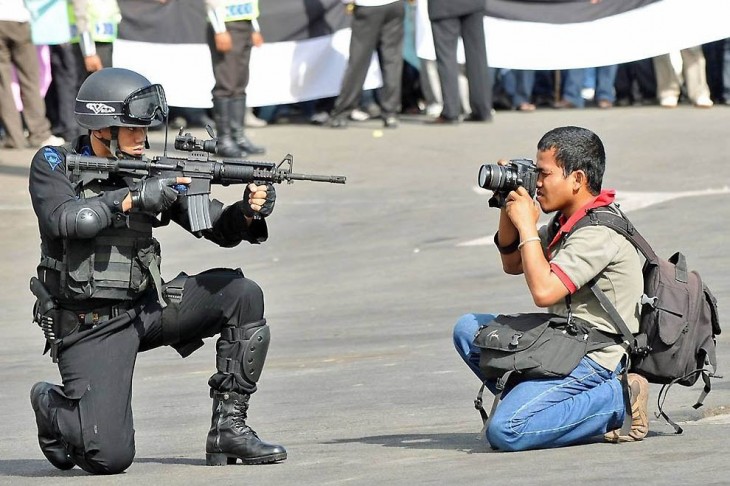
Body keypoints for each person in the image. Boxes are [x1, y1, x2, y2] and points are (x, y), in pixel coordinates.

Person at [28, 67, 286, 474]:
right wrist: (131, 200)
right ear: (103, 127)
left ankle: (229, 429)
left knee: (242, 293)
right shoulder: (54, 163)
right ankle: (52, 405)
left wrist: (248, 211)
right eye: (131, 130)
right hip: (89, 324)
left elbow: (217, 228)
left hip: (148, 308)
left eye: (144, 130)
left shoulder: (147, 166)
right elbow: (67, 220)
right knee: (109, 457)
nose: (142, 139)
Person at [452, 126, 649, 451]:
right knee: (468, 329)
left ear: (577, 179)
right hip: (563, 341)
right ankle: (539, 400)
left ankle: (618, 398)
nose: (538, 182)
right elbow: (513, 262)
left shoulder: (597, 233)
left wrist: (527, 224)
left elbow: (544, 292)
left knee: (506, 431)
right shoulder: (567, 220)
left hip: (595, 355)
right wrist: (507, 202)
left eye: (544, 174)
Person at [327, 0, 406, 129]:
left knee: (359, 60)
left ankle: (343, 112)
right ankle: (391, 112)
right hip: (394, 4)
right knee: (392, 61)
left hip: (368, 6)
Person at [206, 0, 265, 157]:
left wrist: (254, 27)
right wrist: (219, 30)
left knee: (240, 83)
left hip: (245, 23)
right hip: (226, 25)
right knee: (226, 84)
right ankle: (224, 140)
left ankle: (238, 137)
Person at [0, 0, 62, 149]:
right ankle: (39, 133)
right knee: (30, 80)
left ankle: (14, 136)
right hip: (20, 19)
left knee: (3, 83)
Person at [426, 0, 492, 123]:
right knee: (477, 55)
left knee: (447, 57)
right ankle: (482, 109)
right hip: (473, 4)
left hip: (444, 6)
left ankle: (450, 111)